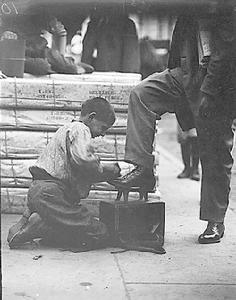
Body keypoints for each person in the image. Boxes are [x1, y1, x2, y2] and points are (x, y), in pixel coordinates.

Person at [110, 6, 236, 244]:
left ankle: (215, 220)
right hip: (187, 72)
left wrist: (207, 92)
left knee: (215, 153)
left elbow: (227, 54)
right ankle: (143, 170)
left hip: (219, 83)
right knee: (142, 94)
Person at [7, 97, 121, 250]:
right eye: (103, 128)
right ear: (91, 117)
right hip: (51, 194)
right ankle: (41, 226)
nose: (103, 134)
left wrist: (104, 174)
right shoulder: (81, 130)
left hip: (40, 191)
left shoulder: (67, 129)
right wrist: (106, 169)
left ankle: (38, 222)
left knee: (75, 223)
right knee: (100, 231)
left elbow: (78, 170)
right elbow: (84, 160)